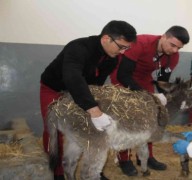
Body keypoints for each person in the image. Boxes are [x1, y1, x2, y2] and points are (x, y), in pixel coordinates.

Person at [40, 20, 137, 180]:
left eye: (126, 48)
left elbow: (95, 85)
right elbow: (72, 77)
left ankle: (94, 171)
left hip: (81, 91)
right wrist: (94, 110)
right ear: (106, 38)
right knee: (53, 129)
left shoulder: (112, 58)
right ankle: (57, 172)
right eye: (121, 47)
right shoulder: (78, 47)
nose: (123, 52)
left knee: (91, 130)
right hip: (55, 88)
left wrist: (96, 109)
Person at [110, 26, 190, 176]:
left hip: (144, 79)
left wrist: (163, 97)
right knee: (126, 120)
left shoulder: (173, 55)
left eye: (179, 48)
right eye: (172, 45)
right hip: (123, 77)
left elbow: (162, 80)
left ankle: (146, 157)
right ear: (164, 37)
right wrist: (148, 96)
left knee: (151, 119)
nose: (174, 50)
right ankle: (124, 159)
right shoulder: (141, 42)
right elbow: (123, 74)